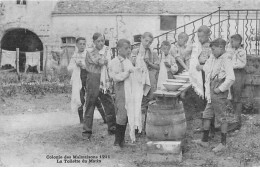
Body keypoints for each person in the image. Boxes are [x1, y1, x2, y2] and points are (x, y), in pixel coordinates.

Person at [193, 38, 236, 153]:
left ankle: (223, 143)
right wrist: (201, 67)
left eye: (213, 49)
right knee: (207, 115)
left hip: (219, 88)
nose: (212, 51)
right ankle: (205, 140)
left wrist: (220, 89)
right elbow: (208, 68)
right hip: (211, 88)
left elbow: (231, 78)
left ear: (221, 48)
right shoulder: (214, 57)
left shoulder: (226, 59)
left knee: (221, 117)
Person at [82, 33, 116, 140]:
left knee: (109, 102)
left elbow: (109, 62)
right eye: (98, 41)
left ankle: (112, 127)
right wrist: (104, 61)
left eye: (102, 41)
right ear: (94, 42)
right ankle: (87, 131)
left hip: (104, 78)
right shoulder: (89, 51)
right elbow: (100, 62)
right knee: (90, 103)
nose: (101, 43)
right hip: (93, 78)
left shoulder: (107, 50)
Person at [67, 37, 107, 124]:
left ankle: (105, 118)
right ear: (77, 45)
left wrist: (84, 65)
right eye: (80, 44)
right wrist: (76, 65)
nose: (82, 46)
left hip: (89, 78)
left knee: (94, 98)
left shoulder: (88, 54)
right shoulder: (75, 55)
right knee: (80, 98)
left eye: (83, 44)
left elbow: (93, 66)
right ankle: (82, 120)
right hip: (79, 79)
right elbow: (69, 68)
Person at [131, 32, 159, 133]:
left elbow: (158, 66)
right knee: (139, 103)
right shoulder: (135, 51)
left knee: (149, 103)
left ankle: (147, 126)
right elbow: (132, 64)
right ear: (142, 39)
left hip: (150, 79)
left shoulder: (153, 53)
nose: (147, 43)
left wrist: (149, 63)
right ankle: (137, 127)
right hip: (139, 79)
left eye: (150, 42)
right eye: (146, 41)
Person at [109, 39, 135, 149]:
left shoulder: (128, 61)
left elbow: (132, 73)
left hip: (129, 90)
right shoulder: (114, 62)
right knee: (121, 114)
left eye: (129, 48)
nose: (128, 50)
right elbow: (115, 77)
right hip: (120, 90)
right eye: (126, 48)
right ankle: (116, 141)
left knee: (128, 113)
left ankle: (122, 140)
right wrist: (127, 73)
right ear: (119, 50)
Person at [187, 25, 212, 134]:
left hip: (207, 73)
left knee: (208, 99)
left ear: (208, 35)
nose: (200, 39)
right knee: (201, 99)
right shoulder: (197, 45)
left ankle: (210, 127)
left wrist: (203, 66)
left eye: (202, 36)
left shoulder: (211, 46)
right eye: (198, 36)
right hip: (199, 73)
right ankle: (204, 125)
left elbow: (212, 62)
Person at [227, 34, 247, 127]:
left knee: (237, 96)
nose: (231, 43)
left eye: (232, 41)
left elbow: (242, 64)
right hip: (230, 73)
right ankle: (234, 117)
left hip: (238, 74)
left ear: (238, 42)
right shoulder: (230, 49)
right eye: (230, 41)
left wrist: (231, 65)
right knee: (230, 94)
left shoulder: (242, 51)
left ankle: (238, 119)